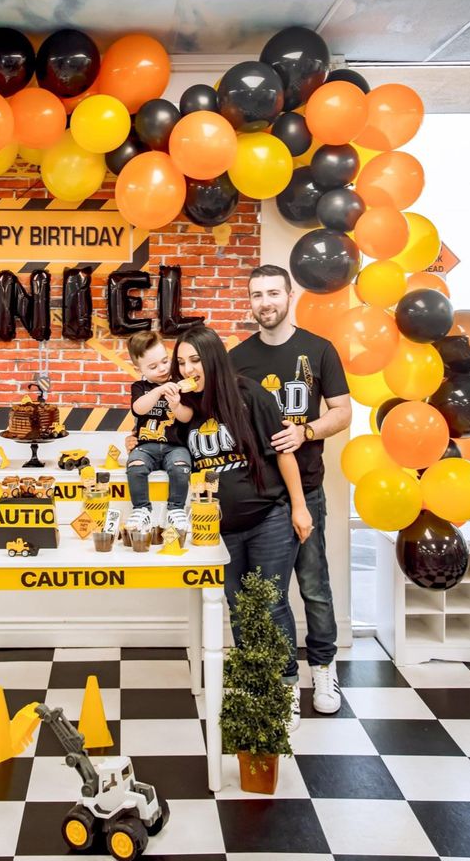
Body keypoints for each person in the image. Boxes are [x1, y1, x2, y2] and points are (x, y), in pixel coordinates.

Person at [173, 324, 312, 731]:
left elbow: (283, 454)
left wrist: (299, 509)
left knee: (270, 604)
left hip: (269, 516)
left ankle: (286, 689)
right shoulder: (188, 408)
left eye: (195, 359)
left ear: (213, 357)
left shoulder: (251, 394)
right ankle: (257, 685)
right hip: (218, 529)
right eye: (181, 362)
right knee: (238, 609)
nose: (188, 368)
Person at [229, 264, 351, 716]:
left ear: (290, 294)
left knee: (314, 587)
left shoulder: (319, 350)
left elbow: (342, 412)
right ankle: (276, 679)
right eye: (257, 295)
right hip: (259, 498)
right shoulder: (236, 358)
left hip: (309, 492)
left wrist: (307, 433)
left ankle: (322, 670)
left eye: (273, 293)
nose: (265, 302)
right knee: (268, 595)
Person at [125, 330, 194, 534]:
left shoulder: (180, 384)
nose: (162, 369)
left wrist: (176, 407)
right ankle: (141, 509)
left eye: (165, 361)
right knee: (135, 466)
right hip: (146, 446)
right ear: (138, 368)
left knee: (180, 467)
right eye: (153, 367)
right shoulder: (140, 387)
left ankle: (176, 509)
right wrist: (157, 391)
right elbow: (139, 409)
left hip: (176, 446)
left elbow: (187, 417)